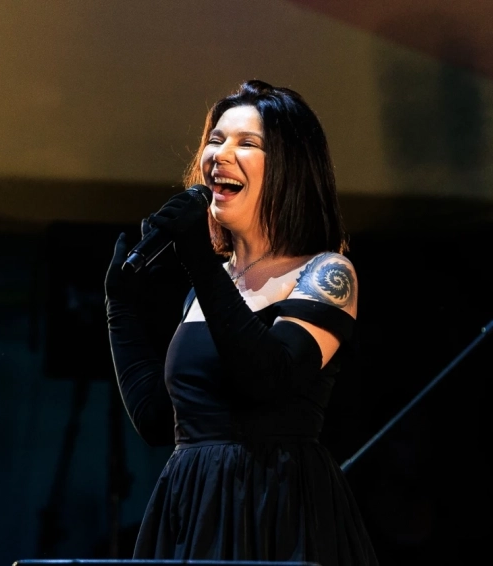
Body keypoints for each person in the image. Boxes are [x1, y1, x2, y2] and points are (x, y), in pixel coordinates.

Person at [104, 79, 378, 565]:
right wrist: (119, 308)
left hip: (276, 508)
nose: (220, 155)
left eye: (246, 143)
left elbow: (268, 377)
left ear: (289, 169)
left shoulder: (325, 273)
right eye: (216, 140)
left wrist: (197, 257)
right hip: (193, 508)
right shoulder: (205, 289)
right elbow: (157, 420)